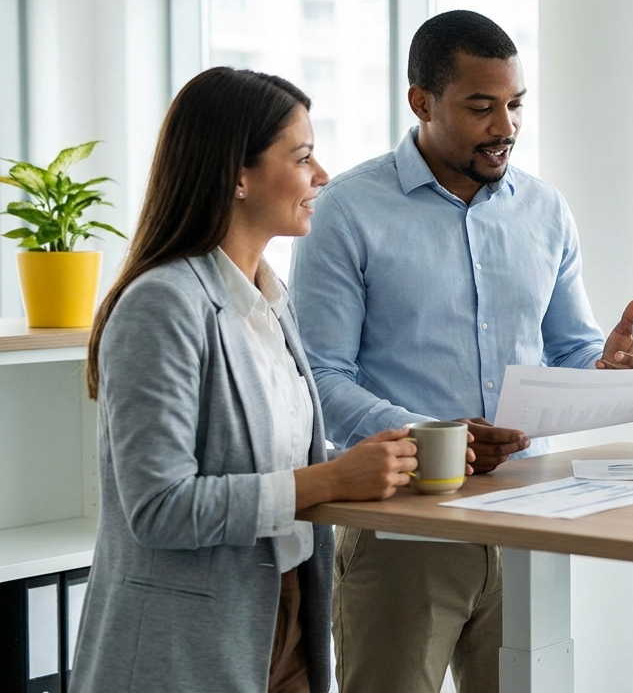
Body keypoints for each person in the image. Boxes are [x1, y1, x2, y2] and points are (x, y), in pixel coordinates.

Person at [291, 9, 633, 692]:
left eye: (516, 105)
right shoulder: (345, 211)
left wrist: (602, 369)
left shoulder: (545, 210)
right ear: (421, 102)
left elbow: (566, 351)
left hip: (532, 518)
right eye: (482, 107)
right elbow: (318, 377)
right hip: (403, 526)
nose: (506, 127)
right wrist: (437, 439)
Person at [70, 68, 428, 692]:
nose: (322, 177)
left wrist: (391, 461)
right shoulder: (162, 304)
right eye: (304, 157)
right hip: (186, 643)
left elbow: (272, 459)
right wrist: (331, 479)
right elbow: (159, 508)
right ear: (238, 174)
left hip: (283, 619)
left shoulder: (270, 298)